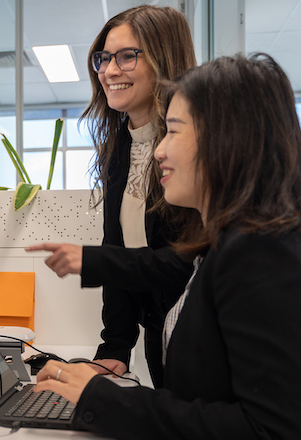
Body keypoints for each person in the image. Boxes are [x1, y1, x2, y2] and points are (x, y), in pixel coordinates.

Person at [32, 53, 301, 440]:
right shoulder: (234, 244)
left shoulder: (261, 257)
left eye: (173, 131)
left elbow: (271, 431)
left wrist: (103, 400)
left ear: (226, 141)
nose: (159, 150)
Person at [27, 5, 200, 383]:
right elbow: (119, 248)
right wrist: (115, 349)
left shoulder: (192, 151)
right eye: (103, 58)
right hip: (160, 330)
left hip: (200, 334)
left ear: (164, 60)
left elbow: (189, 266)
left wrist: (94, 261)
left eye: (126, 56)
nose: (108, 71)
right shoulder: (119, 148)